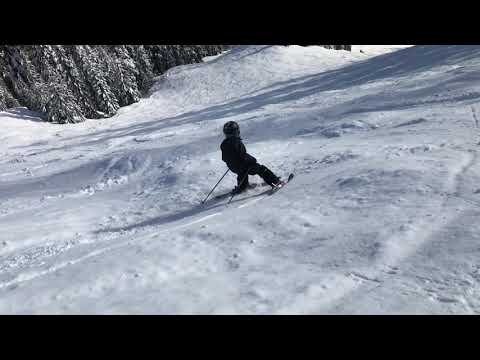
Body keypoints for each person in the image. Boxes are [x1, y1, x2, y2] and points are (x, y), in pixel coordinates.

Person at [220, 121, 283, 194]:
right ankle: (275, 182)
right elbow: (243, 155)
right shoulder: (236, 142)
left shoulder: (224, 143)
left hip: (233, 167)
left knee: (242, 173)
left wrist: (232, 162)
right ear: (236, 131)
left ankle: (242, 187)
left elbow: (224, 158)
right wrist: (252, 160)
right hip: (244, 165)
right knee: (260, 169)